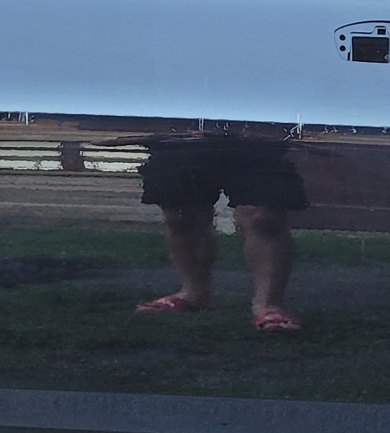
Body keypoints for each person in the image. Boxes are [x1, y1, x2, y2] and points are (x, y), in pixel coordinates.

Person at [131, 134, 306, 332]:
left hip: (254, 131)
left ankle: (269, 305)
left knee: (263, 216)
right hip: (183, 132)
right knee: (180, 215)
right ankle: (193, 294)